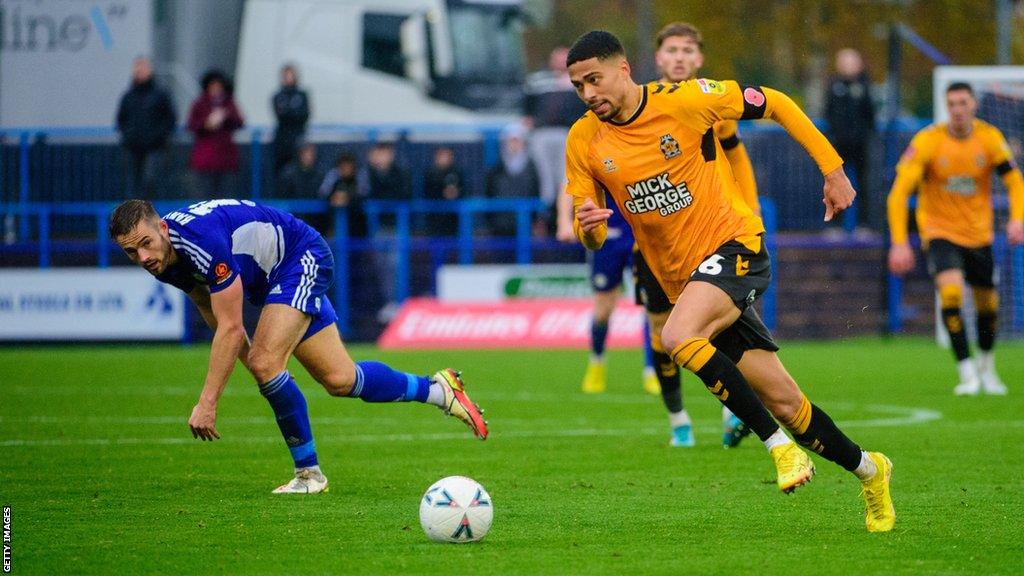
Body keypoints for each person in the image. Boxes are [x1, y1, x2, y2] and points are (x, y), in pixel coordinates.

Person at [564, 30, 894, 532]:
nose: (588, 94)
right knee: (787, 403)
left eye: (594, 79)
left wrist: (833, 170)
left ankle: (778, 450)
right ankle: (871, 470)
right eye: (578, 86)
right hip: (684, 280)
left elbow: (778, 102)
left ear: (624, 69)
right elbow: (590, 228)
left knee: (675, 336)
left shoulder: (688, 100)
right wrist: (590, 231)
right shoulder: (583, 139)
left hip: (736, 246)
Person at [109, 198, 488, 494]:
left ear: (162, 227)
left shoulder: (200, 242)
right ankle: (439, 390)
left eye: (145, 243)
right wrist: (247, 357)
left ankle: (308, 474)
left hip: (299, 258)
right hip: (274, 278)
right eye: (131, 252)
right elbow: (206, 302)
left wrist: (208, 402)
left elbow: (231, 324)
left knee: (266, 362)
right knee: (340, 379)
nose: (143, 257)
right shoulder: (164, 259)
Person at [647, 21, 763, 448]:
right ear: (659, 58)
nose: (679, 58)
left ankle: (732, 409)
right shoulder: (640, 104)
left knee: (723, 321)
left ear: (698, 59)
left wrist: (750, 207)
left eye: (687, 51)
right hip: (658, 240)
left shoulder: (711, 101)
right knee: (663, 332)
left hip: (713, 232)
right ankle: (678, 418)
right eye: (672, 50)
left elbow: (736, 156)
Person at [887, 82, 1024, 396]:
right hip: (939, 232)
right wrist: (898, 241)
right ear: (946, 108)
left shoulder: (989, 138)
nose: (958, 109)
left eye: (963, 102)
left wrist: (1017, 219)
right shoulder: (928, 141)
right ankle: (967, 372)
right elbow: (898, 194)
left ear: (973, 105)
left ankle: (987, 367)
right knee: (950, 296)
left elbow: (1015, 182)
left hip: (979, 234)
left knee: (987, 305)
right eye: (952, 104)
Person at [524, 46, 590, 227]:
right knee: (543, 178)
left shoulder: (579, 80)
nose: (560, 62)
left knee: (566, 176)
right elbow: (527, 107)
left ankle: (567, 218)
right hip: (542, 133)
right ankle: (542, 218)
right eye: (557, 57)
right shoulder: (538, 80)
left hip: (567, 133)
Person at [824, 48, 876, 236]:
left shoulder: (864, 86)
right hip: (838, 145)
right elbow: (828, 113)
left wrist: (865, 134)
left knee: (862, 184)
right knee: (835, 183)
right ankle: (835, 225)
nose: (847, 66)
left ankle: (863, 225)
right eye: (844, 62)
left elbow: (870, 115)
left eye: (851, 62)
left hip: (860, 144)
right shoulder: (833, 85)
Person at [115, 57, 177, 199]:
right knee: (133, 185)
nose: (139, 71)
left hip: (155, 148)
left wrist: (158, 137)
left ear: (150, 71)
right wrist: (129, 136)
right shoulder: (128, 96)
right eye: (137, 68)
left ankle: (150, 215)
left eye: (143, 68)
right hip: (133, 148)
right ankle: (135, 217)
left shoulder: (160, 95)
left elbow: (170, 119)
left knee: (151, 182)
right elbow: (121, 119)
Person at [186, 70, 245, 198]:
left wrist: (226, 116)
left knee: (225, 199)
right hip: (204, 161)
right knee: (204, 199)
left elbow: (240, 121)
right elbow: (191, 125)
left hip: (226, 161)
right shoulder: (200, 103)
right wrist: (206, 124)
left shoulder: (228, 103)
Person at [485, 124, 543, 237]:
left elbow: (536, 190)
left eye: (517, 141)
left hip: (525, 223)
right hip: (500, 224)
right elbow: (489, 192)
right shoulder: (496, 169)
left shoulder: (532, 168)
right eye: (511, 141)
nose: (514, 145)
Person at [271, 64, 311, 175]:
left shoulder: (302, 95)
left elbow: (304, 114)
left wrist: (288, 112)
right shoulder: (277, 96)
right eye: (286, 75)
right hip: (282, 141)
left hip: (298, 139)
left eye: (291, 75)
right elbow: (280, 115)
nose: (289, 78)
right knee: (281, 174)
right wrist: (293, 112)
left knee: (299, 172)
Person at [319, 152, 367, 238]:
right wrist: (333, 197)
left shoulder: (360, 175)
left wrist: (348, 198)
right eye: (343, 166)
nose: (346, 169)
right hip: (334, 224)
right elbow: (323, 193)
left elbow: (364, 193)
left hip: (357, 224)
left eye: (348, 165)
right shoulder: (333, 176)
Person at [423, 146, 465, 236]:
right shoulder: (430, 174)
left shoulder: (457, 172)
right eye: (442, 155)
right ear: (436, 157)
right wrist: (442, 193)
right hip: (435, 218)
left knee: (453, 245)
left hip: (452, 218)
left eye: (447, 155)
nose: (445, 158)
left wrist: (456, 193)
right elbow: (427, 193)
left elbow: (464, 191)